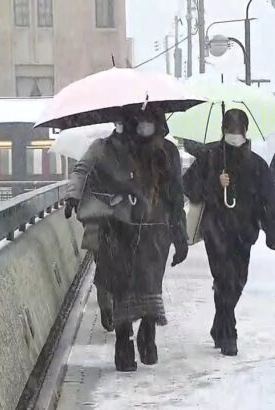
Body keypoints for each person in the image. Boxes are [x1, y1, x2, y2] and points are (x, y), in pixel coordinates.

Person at [65, 107, 188, 372]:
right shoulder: (112, 148)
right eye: (139, 122)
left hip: (155, 230)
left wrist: (180, 235)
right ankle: (124, 344)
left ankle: (147, 334)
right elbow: (90, 171)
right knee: (123, 285)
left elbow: (176, 195)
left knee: (149, 285)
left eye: (150, 122)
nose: (144, 127)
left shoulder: (168, 152)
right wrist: (80, 196)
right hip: (120, 228)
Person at [182, 108, 275, 356]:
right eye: (230, 130)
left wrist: (274, 228)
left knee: (237, 281)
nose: (235, 135)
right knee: (224, 278)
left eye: (238, 131)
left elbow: (267, 198)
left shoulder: (256, 164)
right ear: (223, 130)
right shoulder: (209, 158)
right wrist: (215, 183)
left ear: (246, 132)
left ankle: (220, 322)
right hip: (216, 228)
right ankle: (229, 333)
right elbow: (189, 186)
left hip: (244, 232)